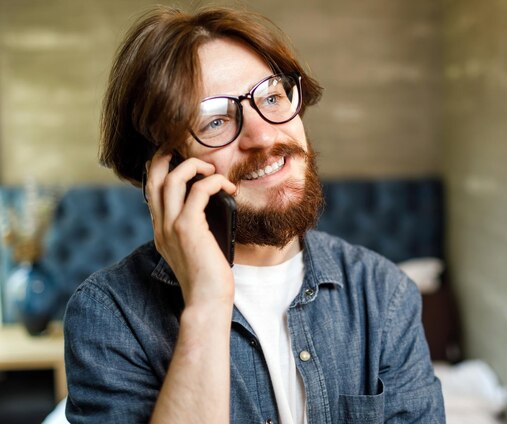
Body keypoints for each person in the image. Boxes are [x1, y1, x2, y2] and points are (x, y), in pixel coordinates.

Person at [63, 5, 445, 423]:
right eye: (215, 122)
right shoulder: (110, 316)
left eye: (272, 97)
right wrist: (207, 305)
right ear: (167, 170)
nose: (263, 135)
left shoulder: (384, 295)